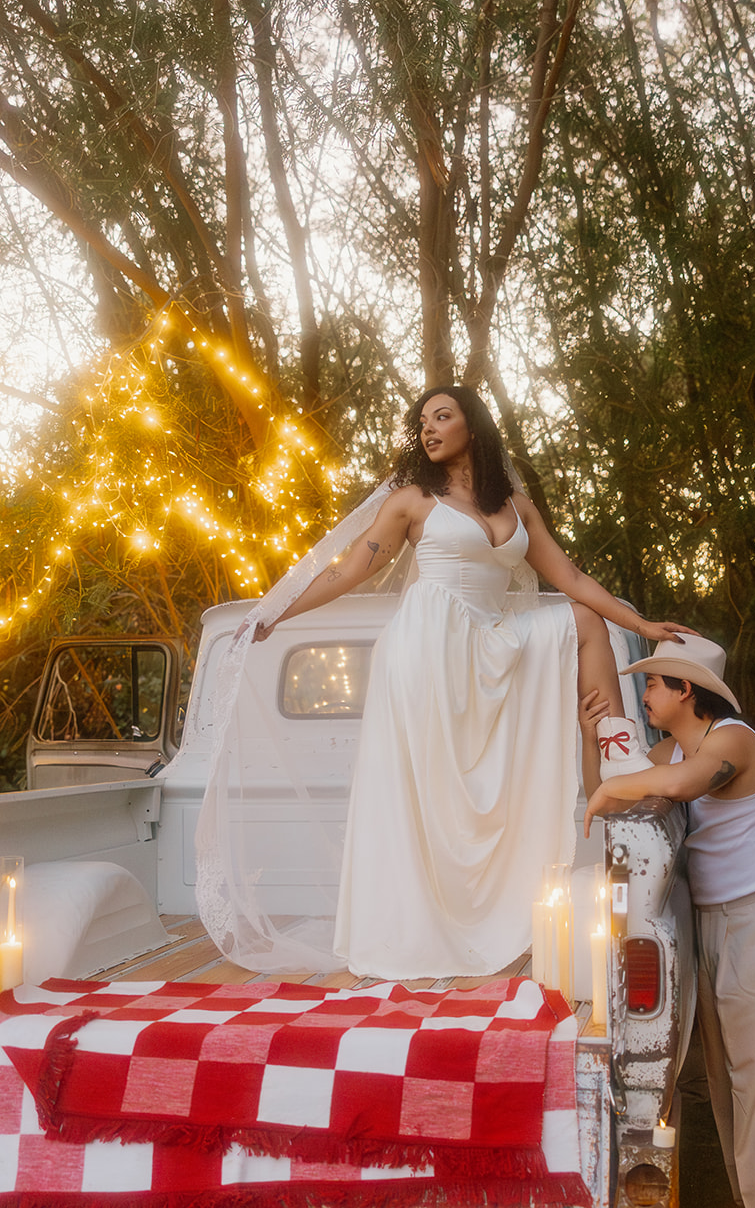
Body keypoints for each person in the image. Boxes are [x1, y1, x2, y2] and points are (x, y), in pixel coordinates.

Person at [238, 385, 693, 980]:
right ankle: (424, 920)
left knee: (584, 621)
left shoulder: (518, 508)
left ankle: (617, 753)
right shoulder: (411, 502)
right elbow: (350, 569)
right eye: (422, 421)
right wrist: (275, 611)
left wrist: (639, 622)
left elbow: (573, 576)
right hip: (428, 651)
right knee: (436, 795)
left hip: (491, 639)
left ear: (471, 427)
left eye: (442, 417)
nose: (428, 429)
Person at [583, 634, 755, 1208]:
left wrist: (617, 789)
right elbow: (611, 781)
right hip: (718, 924)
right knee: (730, 1077)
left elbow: (677, 783)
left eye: (654, 684)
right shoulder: (676, 746)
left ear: (686, 690)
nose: (646, 694)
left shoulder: (731, 740)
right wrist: (594, 735)